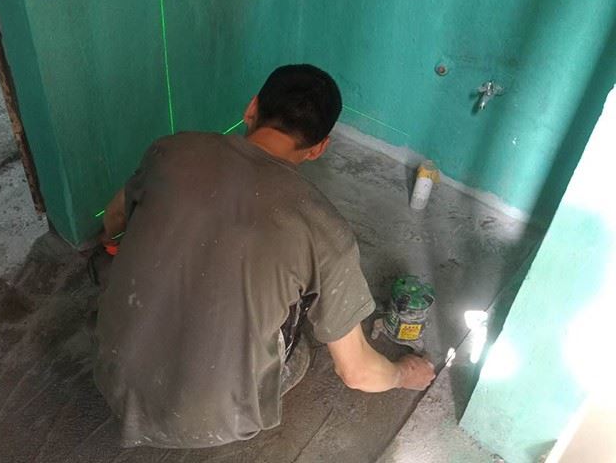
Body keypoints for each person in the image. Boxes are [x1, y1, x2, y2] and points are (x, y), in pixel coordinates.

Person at [93, 64, 435, 448]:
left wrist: (123, 245)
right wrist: (404, 373)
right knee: (300, 339)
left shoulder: (171, 149)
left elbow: (114, 218)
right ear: (319, 148)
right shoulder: (322, 227)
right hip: (205, 422)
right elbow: (357, 372)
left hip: (112, 375)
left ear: (251, 108)